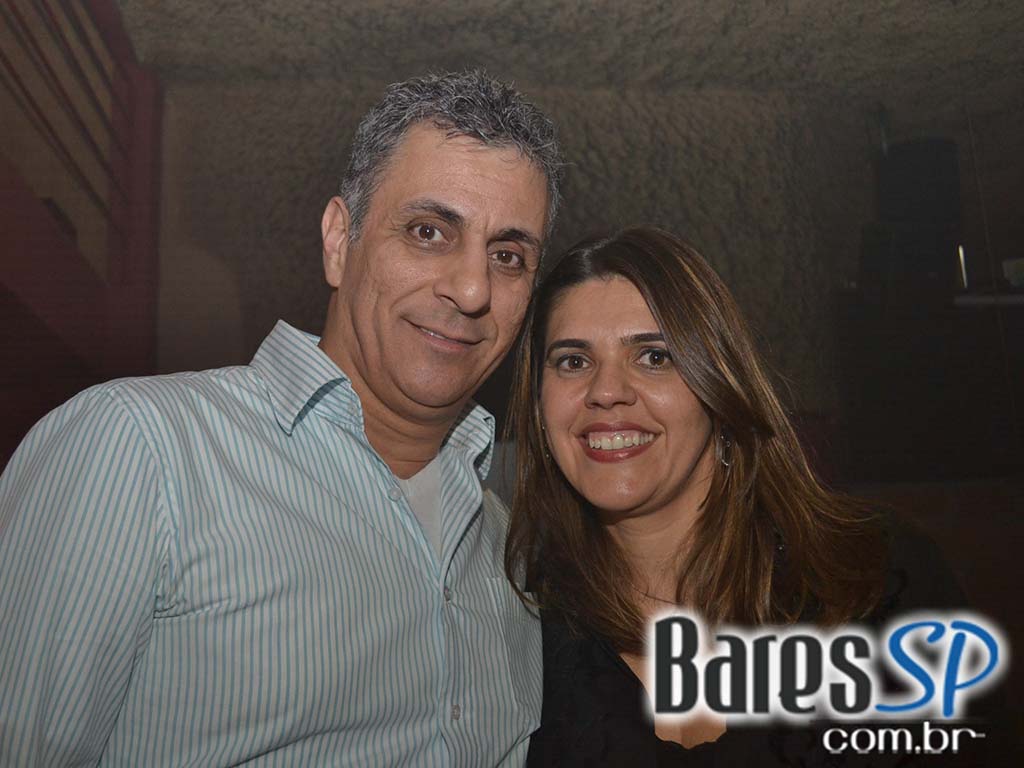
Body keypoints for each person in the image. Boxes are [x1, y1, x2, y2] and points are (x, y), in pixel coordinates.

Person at [0, 70, 563, 767]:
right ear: (339, 240)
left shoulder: (505, 544)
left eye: (508, 256)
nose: (473, 288)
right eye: (428, 232)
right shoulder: (139, 448)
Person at [504, 228, 996, 766]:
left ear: (720, 387)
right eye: (573, 362)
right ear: (539, 406)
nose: (605, 391)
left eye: (654, 356)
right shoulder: (519, 628)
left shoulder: (876, 580)